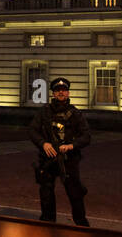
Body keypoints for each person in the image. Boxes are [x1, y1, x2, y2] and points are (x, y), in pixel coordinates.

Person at [28, 77, 91, 227]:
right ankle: (48, 224)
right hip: (48, 159)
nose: (61, 93)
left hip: (68, 159)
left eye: (63, 90)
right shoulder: (44, 112)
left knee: (74, 193)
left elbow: (86, 136)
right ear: (53, 94)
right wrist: (43, 144)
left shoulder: (75, 114)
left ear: (68, 93)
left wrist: (71, 146)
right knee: (46, 193)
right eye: (57, 91)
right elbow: (32, 130)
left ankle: (82, 225)